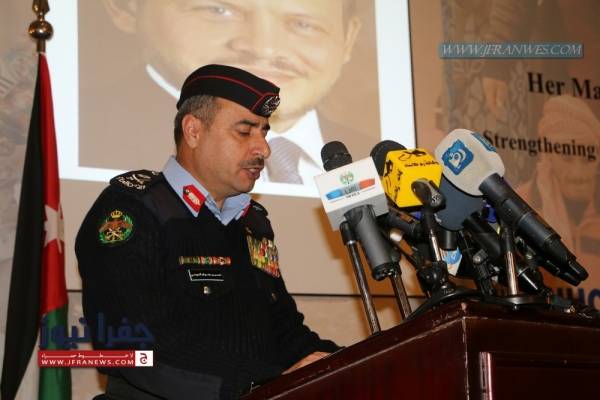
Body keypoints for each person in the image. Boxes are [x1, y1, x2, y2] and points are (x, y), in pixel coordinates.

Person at [76, 64, 339, 400]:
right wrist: (258, 384)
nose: (264, 149)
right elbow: (132, 347)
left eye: (264, 132)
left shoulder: (252, 222)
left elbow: (283, 334)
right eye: (245, 132)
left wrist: (343, 362)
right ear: (193, 131)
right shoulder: (132, 209)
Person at [80, 0, 369, 188]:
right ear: (127, 7)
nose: (264, 48)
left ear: (349, 39)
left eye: (303, 24)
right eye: (218, 11)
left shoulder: (371, 161)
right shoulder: (83, 131)